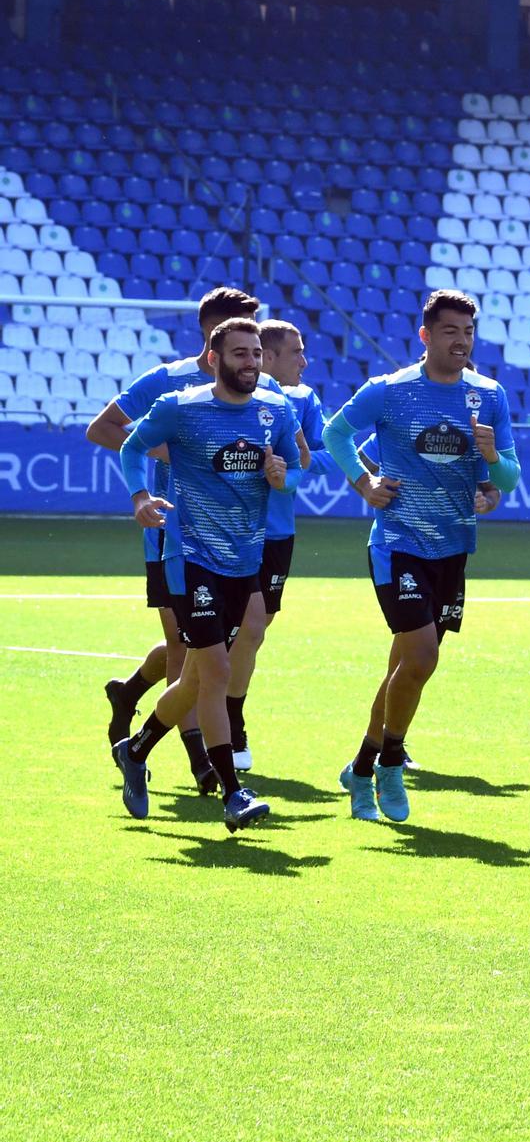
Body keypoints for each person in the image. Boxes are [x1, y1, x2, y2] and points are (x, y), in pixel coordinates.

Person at [323, 290, 520, 822]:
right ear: (426, 336)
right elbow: (335, 432)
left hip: (454, 547)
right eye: (451, 331)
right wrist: (364, 481)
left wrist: (490, 463)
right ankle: (389, 764)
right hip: (399, 543)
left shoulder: (489, 395)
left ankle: (361, 767)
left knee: (406, 668)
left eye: (469, 332)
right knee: (421, 658)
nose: (462, 341)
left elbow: (507, 478)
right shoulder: (389, 391)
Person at [111, 318, 302, 830]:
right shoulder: (181, 407)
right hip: (189, 556)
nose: (251, 363)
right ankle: (233, 795)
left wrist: (284, 477)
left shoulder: (277, 410)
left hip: (246, 561)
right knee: (215, 671)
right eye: (240, 354)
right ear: (215, 359)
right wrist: (140, 496)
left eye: (257, 353)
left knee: (197, 678)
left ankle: (137, 748)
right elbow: (131, 447)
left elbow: (297, 468)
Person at [86, 287, 267, 793]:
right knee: (191, 651)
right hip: (173, 533)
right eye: (238, 328)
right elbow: (102, 428)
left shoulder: (257, 385)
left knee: (218, 642)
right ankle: (203, 765)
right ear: (211, 334)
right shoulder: (168, 383)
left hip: (236, 537)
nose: (251, 344)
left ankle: (133, 693)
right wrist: (167, 455)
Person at [215, 318, 325, 775]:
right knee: (238, 631)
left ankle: (153, 698)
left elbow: (322, 456)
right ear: (269, 356)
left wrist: (289, 463)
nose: (304, 360)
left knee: (251, 633)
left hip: (277, 533)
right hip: (228, 531)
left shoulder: (303, 400)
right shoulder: (229, 399)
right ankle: (227, 722)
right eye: (295, 352)